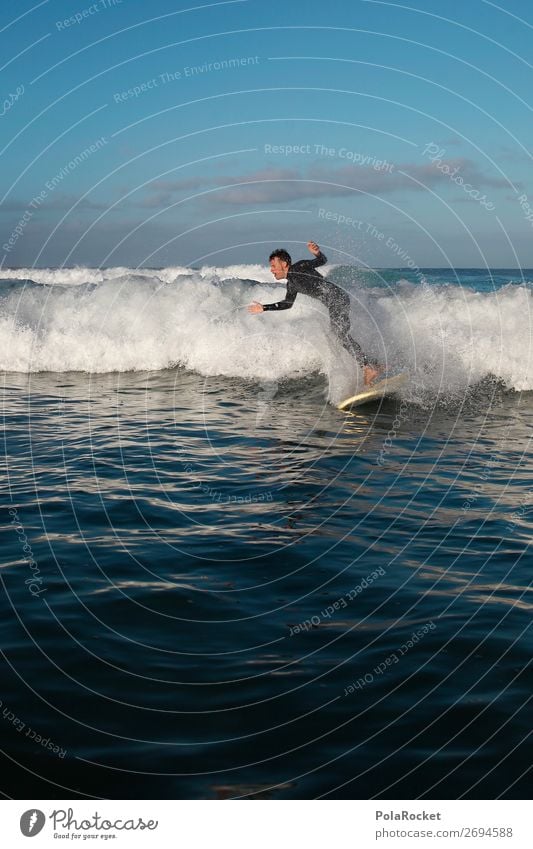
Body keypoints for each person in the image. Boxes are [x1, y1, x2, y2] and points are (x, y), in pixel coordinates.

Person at [247, 241, 380, 385]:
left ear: (284, 264)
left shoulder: (300, 266)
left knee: (340, 335)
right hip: (335, 301)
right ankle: (374, 364)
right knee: (341, 335)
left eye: (273, 266)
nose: (271, 270)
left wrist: (316, 253)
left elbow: (322, 260)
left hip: (337, 298)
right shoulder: (291, 284)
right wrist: (265, 308)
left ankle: (367, 368)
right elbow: (287, 304)